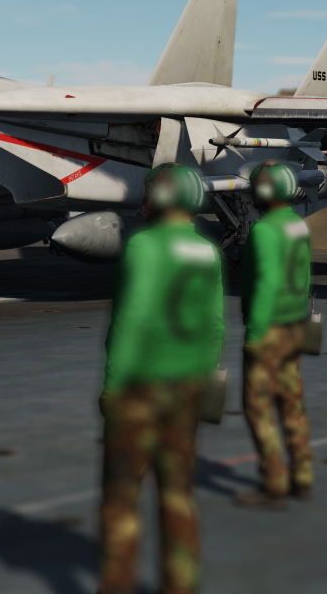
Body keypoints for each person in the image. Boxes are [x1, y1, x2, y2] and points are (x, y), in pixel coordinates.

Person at [98, 163, 225, 594]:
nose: (145, 199)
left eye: (151, 191)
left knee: (121, 494)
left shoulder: (145, 245)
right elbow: (215, 326)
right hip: (186, 388)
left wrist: (113, 385)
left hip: (141, 389)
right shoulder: (206, 251)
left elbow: (131, 321)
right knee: (178, 493)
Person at [234, 160, 315, 510]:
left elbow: (265, 283)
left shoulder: (264, 230)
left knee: (258, 408)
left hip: (269, 331)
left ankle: (275, 482)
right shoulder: (298, 226)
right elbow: (305, 274)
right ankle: (303, 473)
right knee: (292, 403)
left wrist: (254, 333)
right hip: (295, 324)